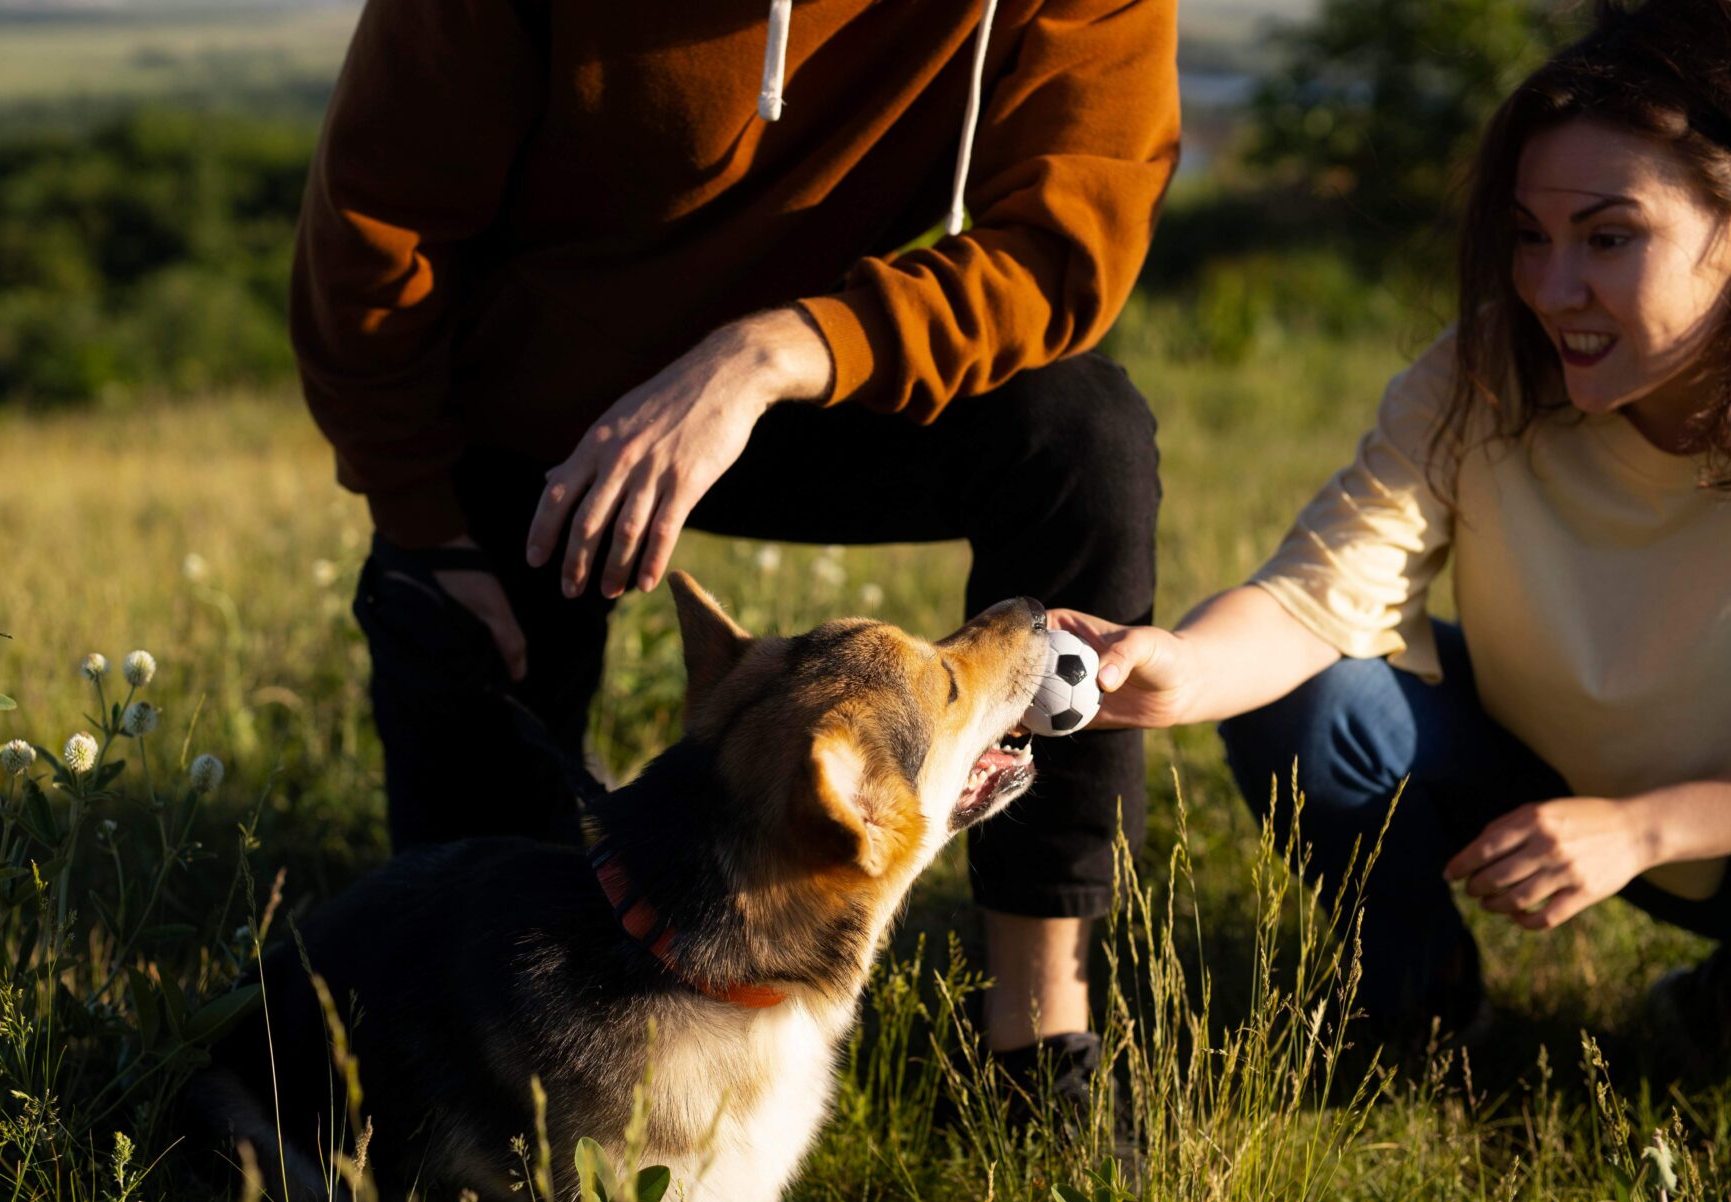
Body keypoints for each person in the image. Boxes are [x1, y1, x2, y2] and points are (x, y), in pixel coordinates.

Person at [290, 0, 1180, 1097]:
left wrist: (771, 352)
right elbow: (382, 217)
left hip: (812, 366)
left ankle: (1038, 1037)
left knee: (1079, 434)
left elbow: (1064, 242)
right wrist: (424, 517)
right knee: (463, 964)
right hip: (536, 406)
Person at [1054, 0, 1731, 1068]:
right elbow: (1315, 593)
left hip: (1708, 837)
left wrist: (1648, 828)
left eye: (1610, 237)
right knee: (1315, 700)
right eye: (1529, 235)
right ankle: (1421, 1009)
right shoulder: (1479, 375)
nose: (1554, 290)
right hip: (1546, 766)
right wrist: (1179, 671)